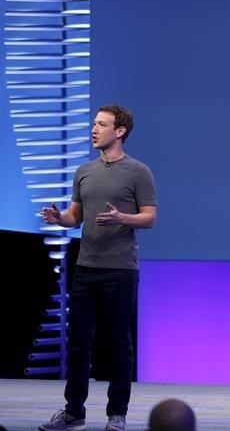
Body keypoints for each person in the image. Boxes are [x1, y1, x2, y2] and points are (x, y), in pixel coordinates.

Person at [40, 104, 157, 431]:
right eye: (94, 123)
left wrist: (123, 218)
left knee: (119, 344)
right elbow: (75, 216)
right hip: (86, 267)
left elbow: (149, 217)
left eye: (102, 124)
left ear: (119, 131)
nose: (94, 129)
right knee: (77, 342)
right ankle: (73, 412)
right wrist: (59, 219)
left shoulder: (139, 172)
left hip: (120, 269)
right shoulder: (84, 171)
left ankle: (116, 413)